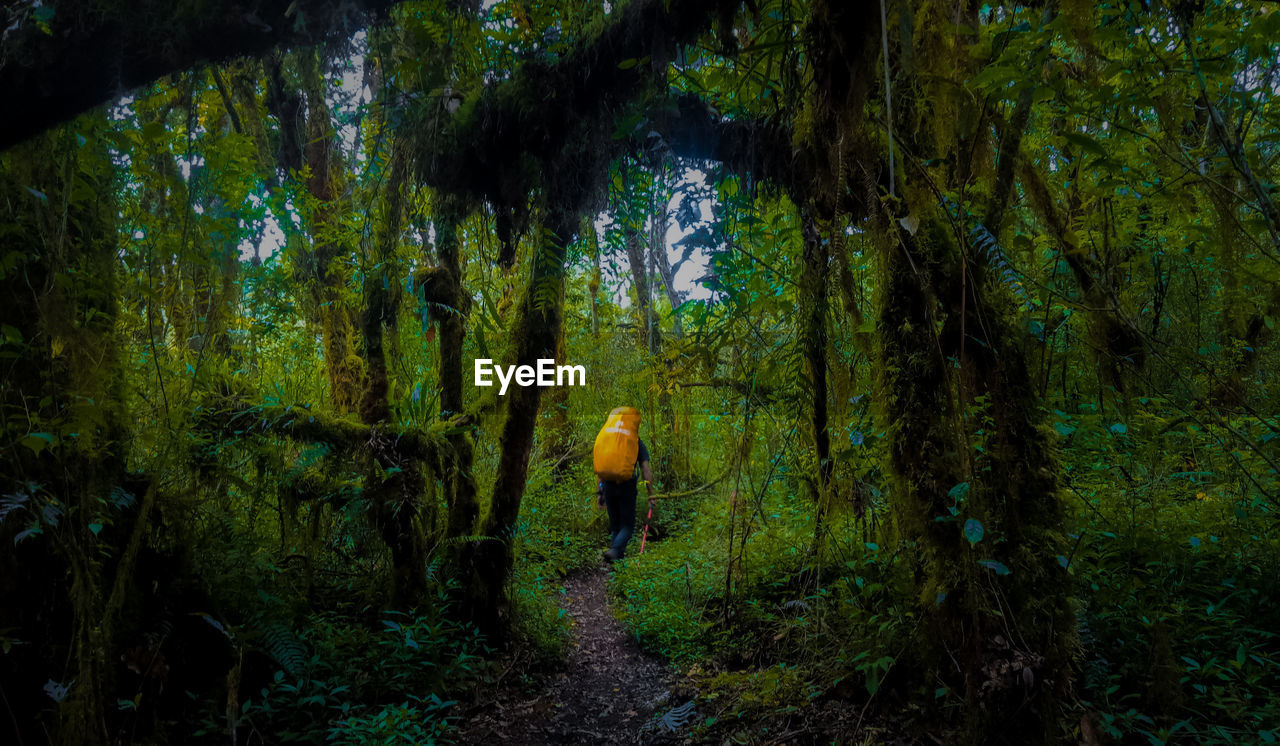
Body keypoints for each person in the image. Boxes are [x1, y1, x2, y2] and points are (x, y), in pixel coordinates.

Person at [596, 437, 653, 561]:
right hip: (627, 485)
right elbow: (645, 468)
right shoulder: (635, 441)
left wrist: (600, 492)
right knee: (627, 526)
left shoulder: (609, 440)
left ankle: (617, 563)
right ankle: (615, 550)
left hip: (608, 485)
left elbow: (601, 467)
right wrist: (651, 493)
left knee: (615, 525)